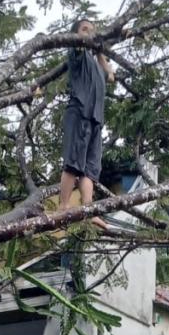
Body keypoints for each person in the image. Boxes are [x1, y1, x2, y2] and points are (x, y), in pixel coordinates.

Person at [58, 18, 114, 229]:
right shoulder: (77, 53)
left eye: (92, 30)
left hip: (96, 118)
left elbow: (110, 76)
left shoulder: (97, 64)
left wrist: (100, 49)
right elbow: (81, 45)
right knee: (74, 163)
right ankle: (63, 207)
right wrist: (86, 41)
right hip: (80, 111)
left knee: (90, 170)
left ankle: (88, 210)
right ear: (76, 34)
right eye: (84, 29)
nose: (89, 33)